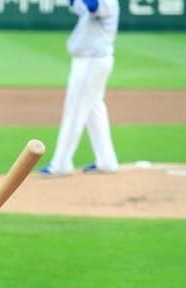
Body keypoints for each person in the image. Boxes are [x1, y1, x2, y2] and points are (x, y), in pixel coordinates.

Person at [38, 0, 119, 177]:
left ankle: (61, 163)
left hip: (91, 62)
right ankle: (107, 161)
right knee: (94, 109)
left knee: (75, 111)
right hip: (91, 61)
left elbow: (92, 5)